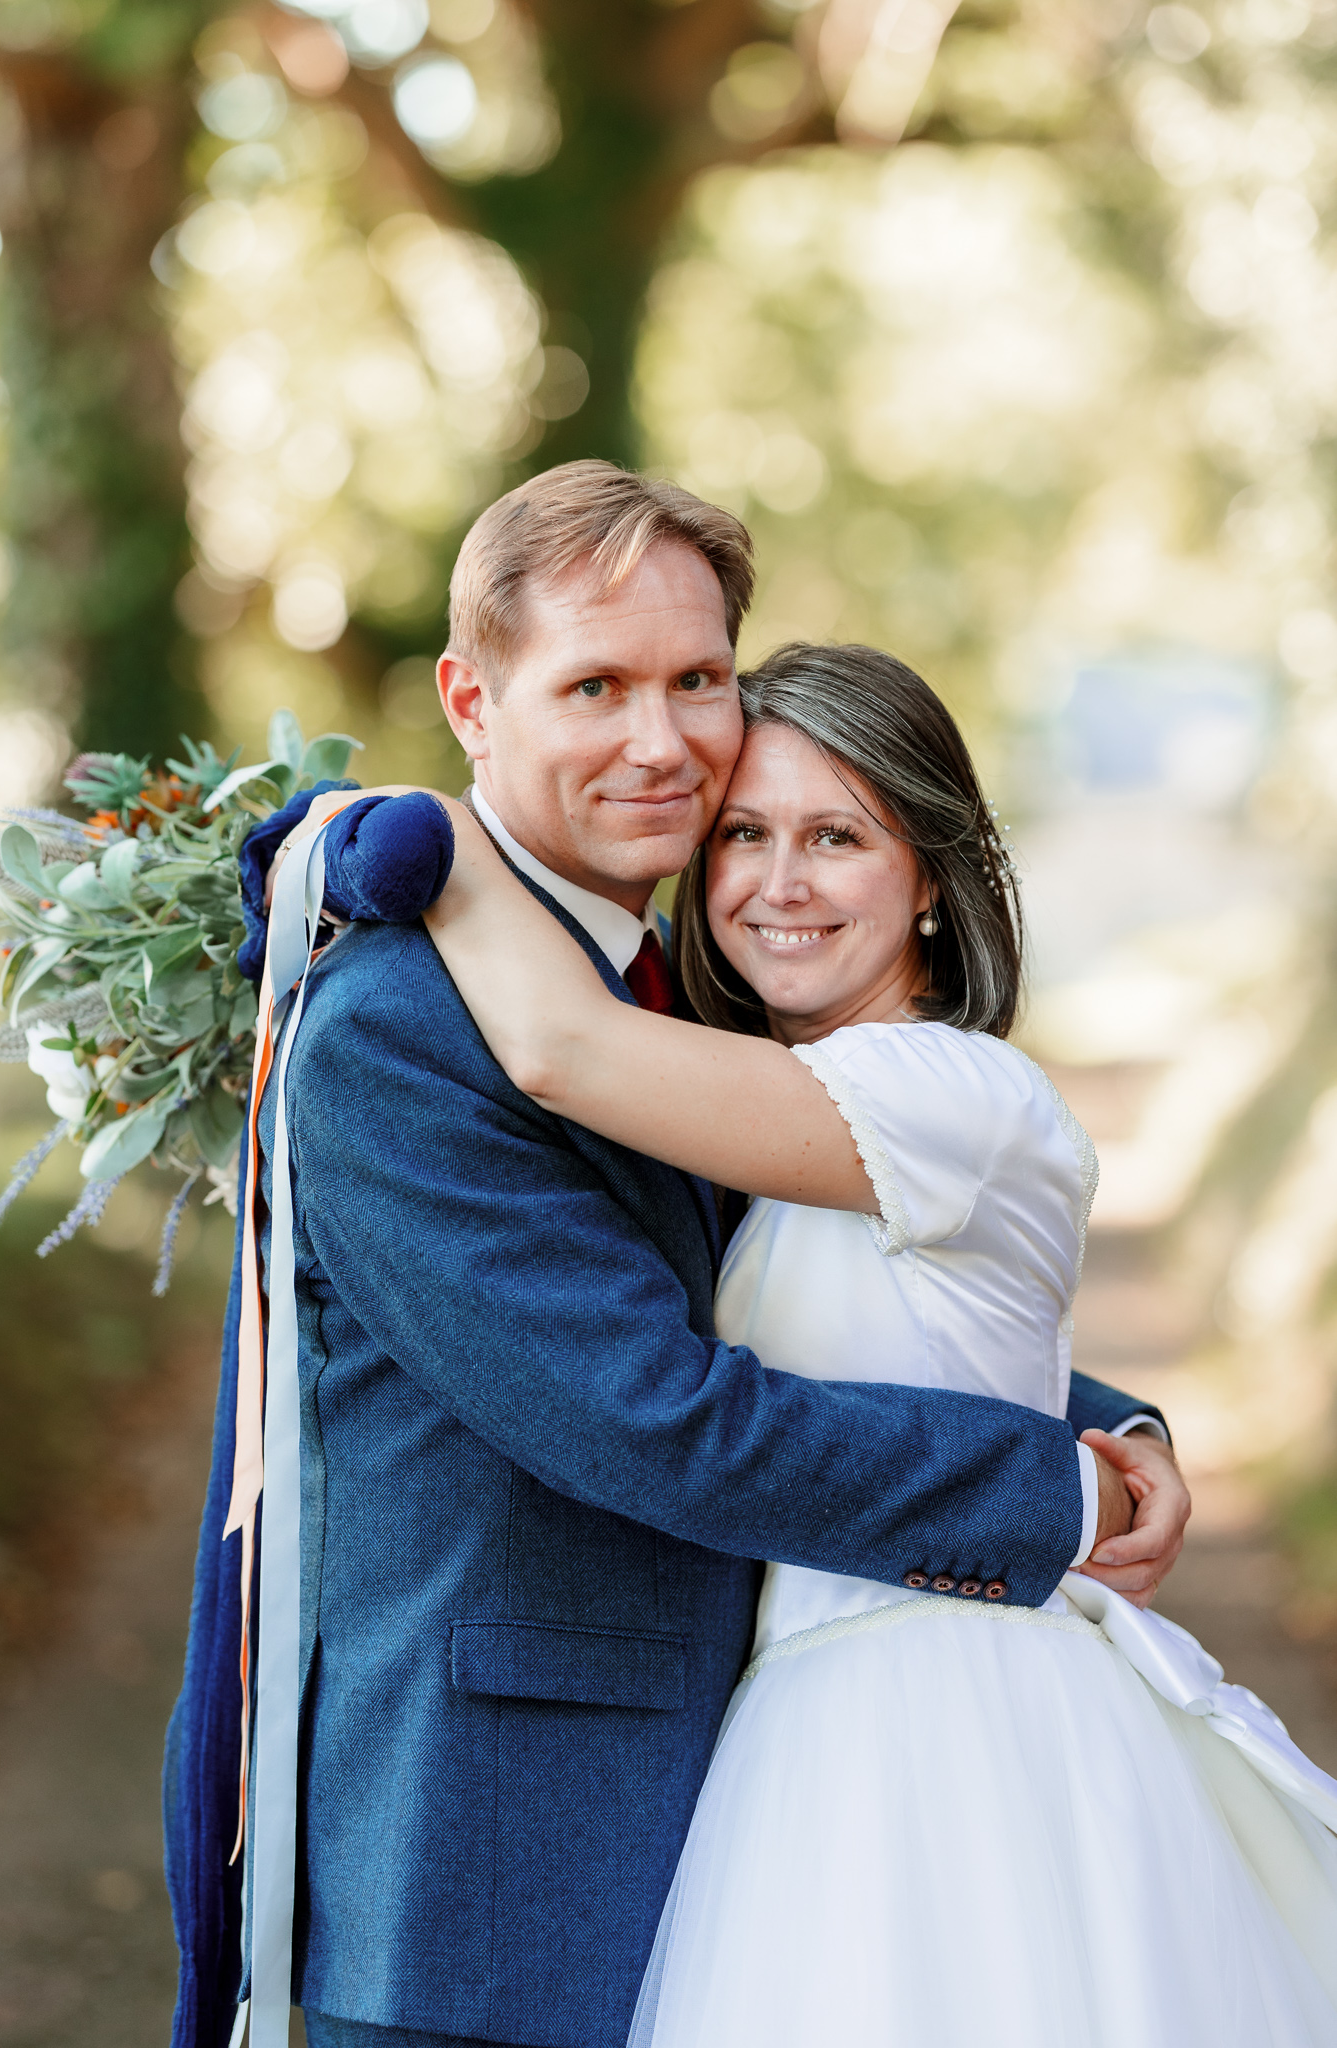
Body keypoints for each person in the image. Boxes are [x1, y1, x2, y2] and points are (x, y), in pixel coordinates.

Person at [165, 461, 1186, 2048]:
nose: (663, 740)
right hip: (496, 1870)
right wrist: (1041, 1490)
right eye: (597, 685)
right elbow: (651, 1410)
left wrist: (1092, 1418)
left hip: (731, 1836)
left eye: (696, 678)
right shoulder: (392, 1037)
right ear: (472, 698)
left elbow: (809, 1300)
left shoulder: (685, 1019)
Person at [345, 638, 1337, 2046]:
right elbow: (892, 1345)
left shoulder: (947, 1089)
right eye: (741, 835)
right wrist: (1115, 1427)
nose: (778, 883)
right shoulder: (766, 1106)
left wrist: (434, 835)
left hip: (946, 1718)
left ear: (928, 876)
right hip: (794, 1720)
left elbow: (559, 1050)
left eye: (836, 838)